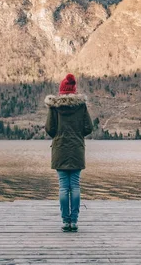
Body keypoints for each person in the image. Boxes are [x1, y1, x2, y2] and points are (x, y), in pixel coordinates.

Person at [44, 73, 93, 232]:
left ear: (61, 91)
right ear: (74, 90)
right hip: (77, 150)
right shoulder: (81, 106)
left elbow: (50, 129)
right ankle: (75, 221)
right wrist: (77, 135)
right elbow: (88, 128)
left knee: (64, 187)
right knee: (75, 186)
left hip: (60, 151)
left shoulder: (54, 107)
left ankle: (65, 221)